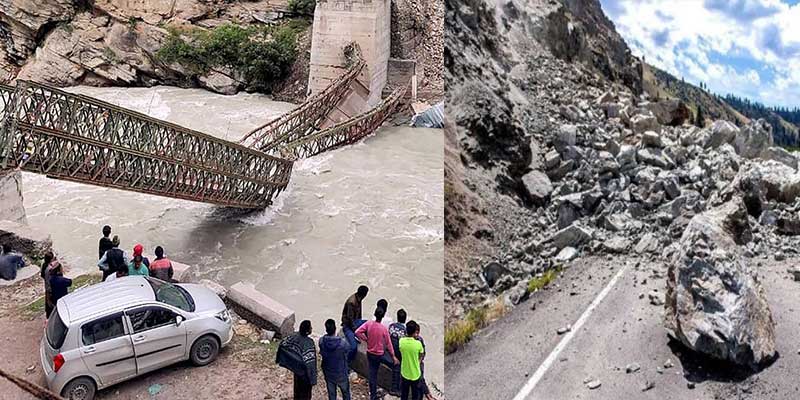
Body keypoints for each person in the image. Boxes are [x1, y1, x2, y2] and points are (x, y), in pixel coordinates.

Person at [355, 307, 398, 400]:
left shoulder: (369, 324)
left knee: (372, 374)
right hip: (380, 354)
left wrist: (366, 339)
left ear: (375, 314)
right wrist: (393, 356)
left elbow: (358, 332)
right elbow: (389, 344)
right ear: (382, 316)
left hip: (370, 353)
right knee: (395, 365)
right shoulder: (383, 329)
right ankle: (394, 389)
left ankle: (373, 395)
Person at [276, 320, 317, 400]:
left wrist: (289, 362)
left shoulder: (293, 336)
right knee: (305, 394)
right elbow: (310, 363)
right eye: (310, 327)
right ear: (307, 331)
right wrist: (313, 379)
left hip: (297, 370)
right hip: (305, 374)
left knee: (297, 390)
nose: (312, 328)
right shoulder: (309, 343)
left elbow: (282, 344)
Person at [319, 319, 351, 400]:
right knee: (346, 393)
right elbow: (348, 349)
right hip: (341, 373)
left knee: (332, 394)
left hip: (328, 372)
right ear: (335, 328)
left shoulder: (321, 341)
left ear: (326, 329)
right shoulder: (342, 343)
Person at [342, 285, 369, 362]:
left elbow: (359, 314)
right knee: (353, 347)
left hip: (356, 321)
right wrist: (356, 331)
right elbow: (350, 319)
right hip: (348, 326)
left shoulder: (359, 298)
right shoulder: (352, 302)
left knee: (369, 323)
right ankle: (347, 363)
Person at [398, 321, 424, 400]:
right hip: (415, 374)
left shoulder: (401, 341)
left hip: (405, 372)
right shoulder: (418, 344)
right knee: (415, 394)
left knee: (404, 394)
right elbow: (421, 355)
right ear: (414, 332)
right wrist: (418, 362)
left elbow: (401, 351)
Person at [388, 309, 408, 395]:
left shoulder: (391, 326)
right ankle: (395, 389)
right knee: (398, 367)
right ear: (405, 319)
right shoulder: (405, 331)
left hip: (389, 349)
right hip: (398, 353)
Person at [39, 251, 55, 317]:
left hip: (46, 286)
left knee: (48, 304)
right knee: (51, 303)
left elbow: (42, 275)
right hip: (51, 287)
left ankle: (48, 316)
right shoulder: (50, 268)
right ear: (51, 259)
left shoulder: (44, 265)